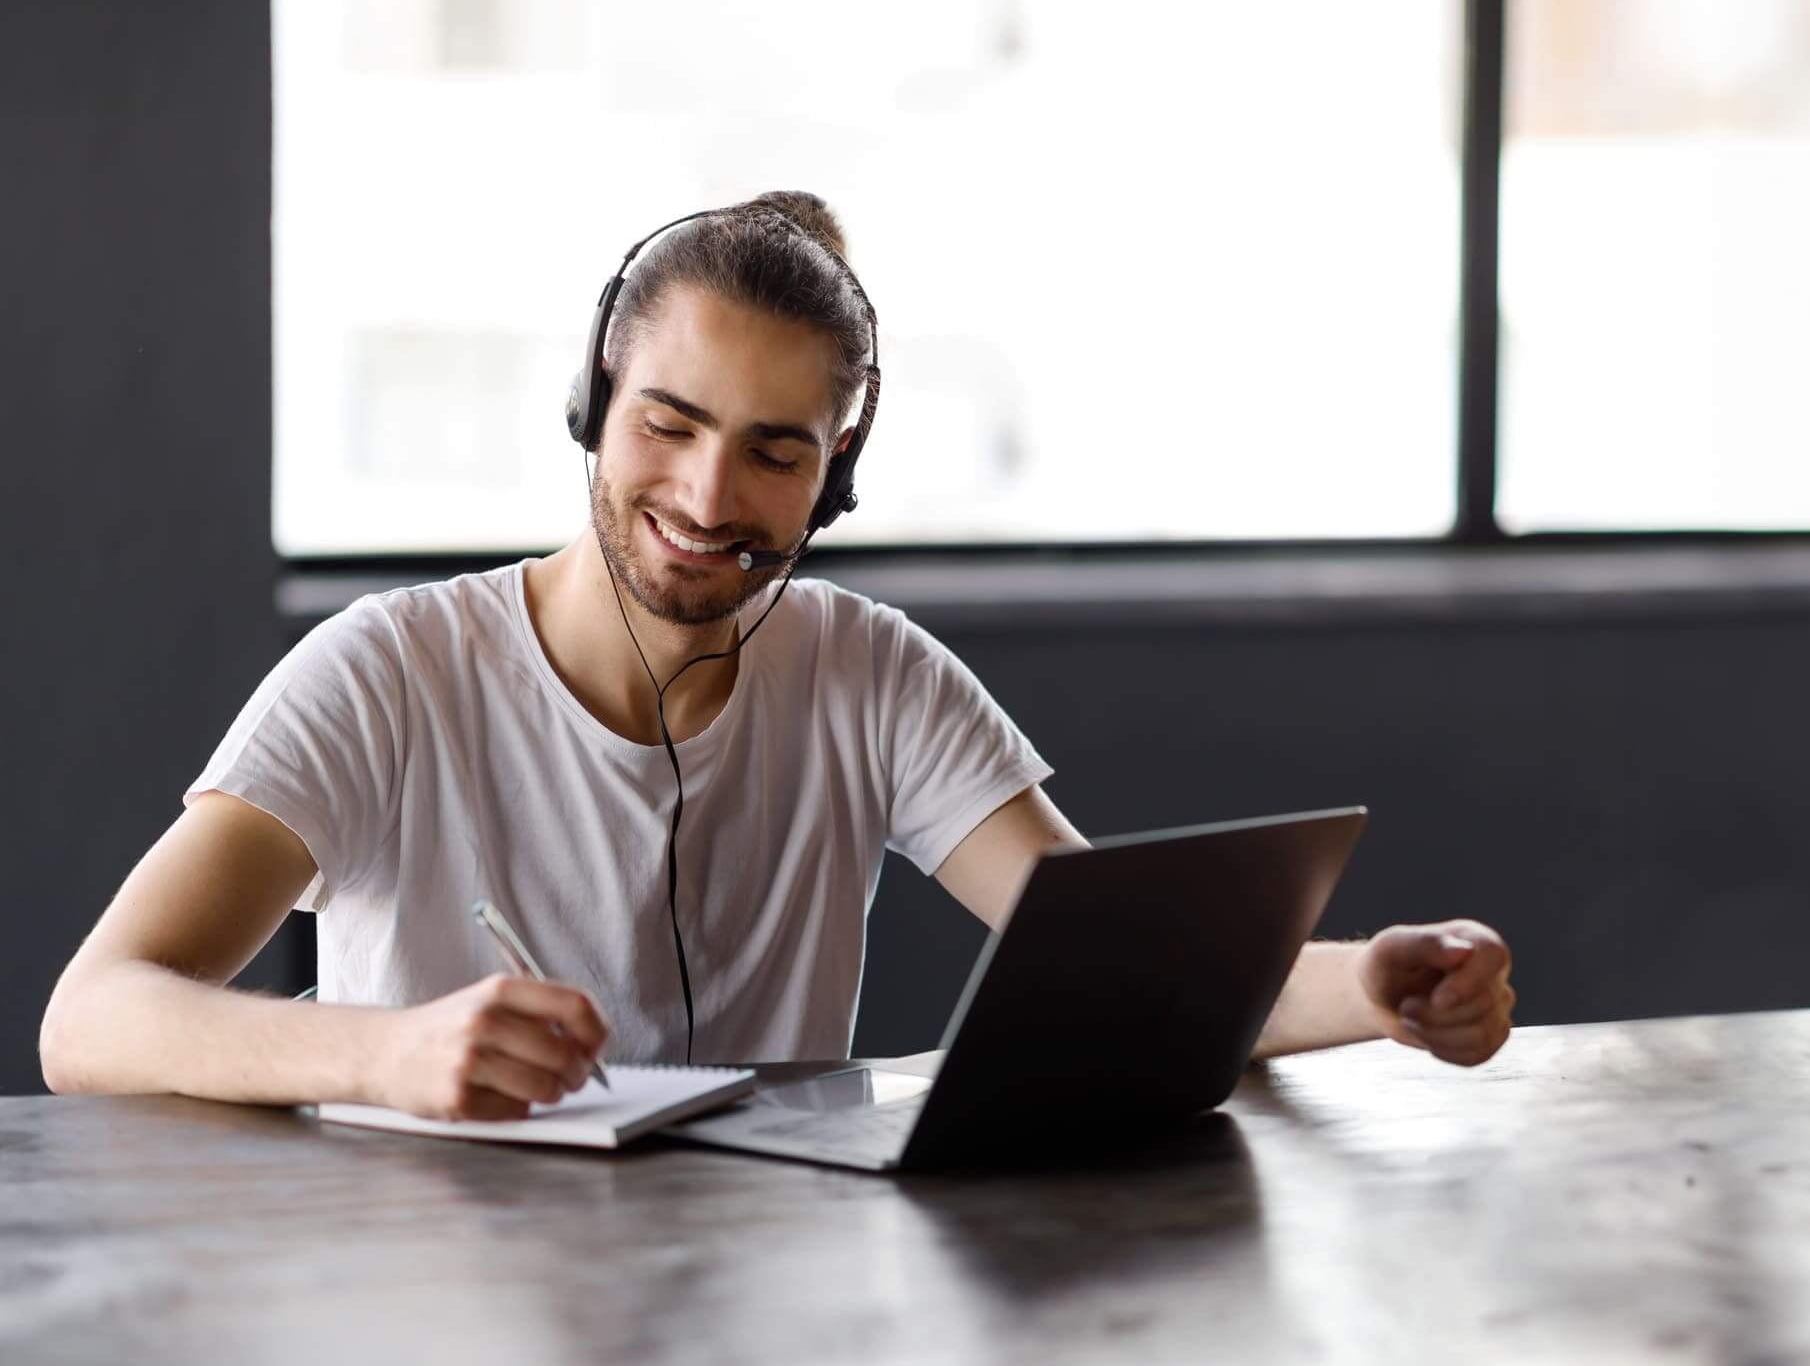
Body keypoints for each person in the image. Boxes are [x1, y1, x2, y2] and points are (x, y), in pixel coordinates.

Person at [39, 192, 1516, 1121]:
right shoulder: (388, 671)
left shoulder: (872, 674)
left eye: (775, 452)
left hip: (775, 1295)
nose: (706, 496)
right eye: (668, 423)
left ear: (835, 479)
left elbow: (1146, 978)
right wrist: (388, 1055)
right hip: (435, 1285)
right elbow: (91, 1016)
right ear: (593, 407)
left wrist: (1380, 988)